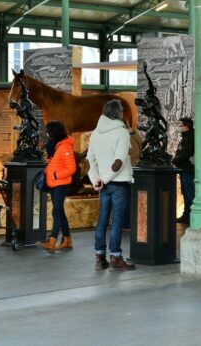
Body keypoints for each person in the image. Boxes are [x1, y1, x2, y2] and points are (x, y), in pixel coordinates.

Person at [87, 99, 136, 272]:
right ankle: (115, 256)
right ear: (119, 113)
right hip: (119, 183)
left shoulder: (95, 133)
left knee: (102, 219)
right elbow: (119, 161)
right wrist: (105, 179)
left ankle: (100, 257)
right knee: (117, 221)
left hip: (103, 185)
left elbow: (90, 160)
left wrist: (96, 180)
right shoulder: (121, 132)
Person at [40, 121, 76, 253]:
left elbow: (71, 168)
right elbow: (57, 162)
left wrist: (55, 175)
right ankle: (67, 240)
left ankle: (52, 240)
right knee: (59, 211)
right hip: (53, 183)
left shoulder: (65, 146)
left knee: (56, 210)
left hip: (61, 183)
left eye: (49, 131)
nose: (47, 133)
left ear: (55, 132)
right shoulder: (56, 146)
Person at [173, 117, 194, 225]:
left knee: (189, 193)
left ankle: (192, 216)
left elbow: (185, 153)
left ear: (186, 126)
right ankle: (186, 215)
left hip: (188, 169)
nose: (179, 128)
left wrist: (175, 160)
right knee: (185, 193)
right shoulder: (186, 137)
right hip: (184, 169)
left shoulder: (189, 138)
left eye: (181, 125)